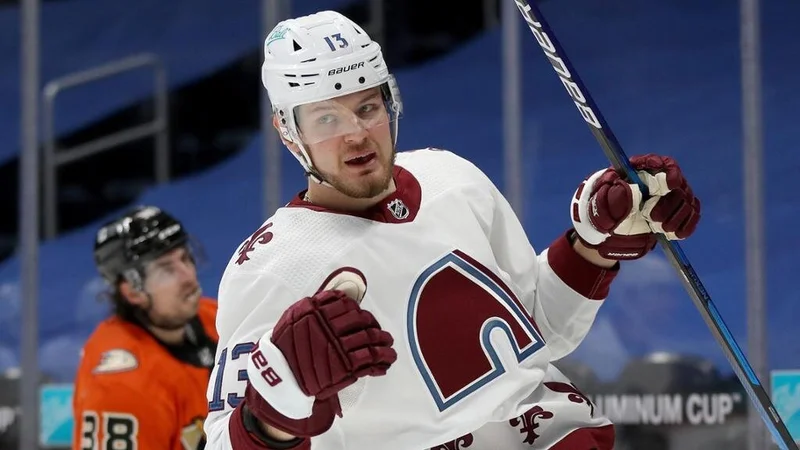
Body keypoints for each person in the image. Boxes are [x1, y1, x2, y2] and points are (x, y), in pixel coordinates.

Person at [203, 10, 701, 450]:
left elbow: (538, 331)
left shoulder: (451, 178)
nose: (356, 134)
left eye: (368, 108)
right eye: (327, 119)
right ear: (289, 133)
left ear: (391, 101)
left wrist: (594, 245)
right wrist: (274, 409)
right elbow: (226, 440)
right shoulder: (271, 268)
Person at [73, 205, 218, 450]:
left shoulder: (217, 318)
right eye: (167, 269)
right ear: (132, 291)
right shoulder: (120, 386)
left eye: (185, 258)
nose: (188, 276)